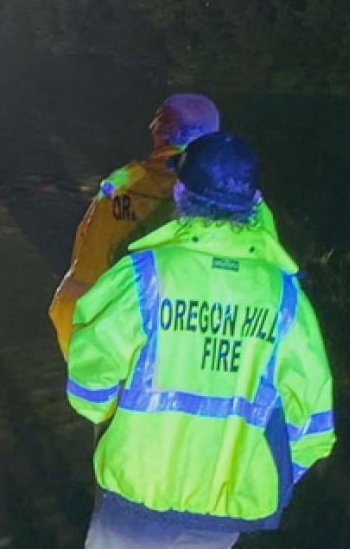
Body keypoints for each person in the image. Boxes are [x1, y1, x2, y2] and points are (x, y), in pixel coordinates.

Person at [7, 133, 335, 549]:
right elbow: (315, 421)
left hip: (137, 495)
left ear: (184, 193)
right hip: (220, 506)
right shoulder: (281, 292)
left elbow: (90, 372)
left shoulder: (147, 274)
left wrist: (105, 416)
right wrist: (268, 477)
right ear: (254, 204)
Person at [50, 94, 237, 357]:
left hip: (114, 347)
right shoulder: (231, 196)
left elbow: (82, 279)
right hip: (196, 355)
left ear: (159, 134)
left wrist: (85, 360)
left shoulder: (119, 186)